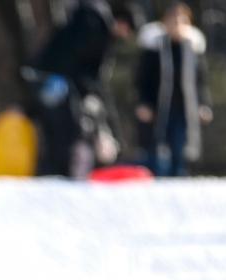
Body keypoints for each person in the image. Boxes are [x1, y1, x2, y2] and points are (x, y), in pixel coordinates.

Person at [26, 0, 143, 179]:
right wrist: (82, 88)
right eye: (127, 30)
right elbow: (73, 58)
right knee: (65, 133)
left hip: (50, 78)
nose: (124, 36)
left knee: (57, 133)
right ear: (122, 22)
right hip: (57, 81)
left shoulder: (92, 21)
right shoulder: (95, 25)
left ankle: (53, 175)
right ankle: (57, 177)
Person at [136, 3, 213, 177]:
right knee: (157, 154)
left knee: (181, 152)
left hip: (184, 110)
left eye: (182, 20)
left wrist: (204, 104)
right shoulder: (154, 49)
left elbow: (200, 82)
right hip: (159, 110)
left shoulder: (192, 50)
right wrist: (144, 102)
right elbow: (143, 79)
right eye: (173, 19)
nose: (177, 24)